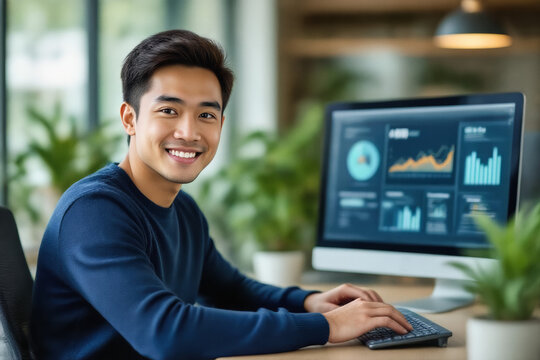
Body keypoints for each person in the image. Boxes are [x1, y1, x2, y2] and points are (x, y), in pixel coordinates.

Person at [30, 29, 412, 360]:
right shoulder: (94, 211)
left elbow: (228, 289)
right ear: (130, 118)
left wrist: (308, 301)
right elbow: (164, 331)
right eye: (168, 110)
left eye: (206, 115)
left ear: (221, 124)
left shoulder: (182, 209)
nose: (189, 132)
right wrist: (324, 326)